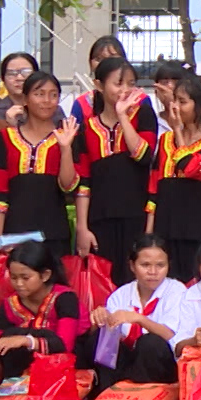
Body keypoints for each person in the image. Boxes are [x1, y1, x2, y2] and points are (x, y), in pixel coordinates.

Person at [73, 56, 159, 286]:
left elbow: (143, 156)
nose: (125, 90)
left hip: (136, 215)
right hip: (100, 218)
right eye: (118, 83)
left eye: (131, 84)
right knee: (102, 284)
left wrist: (123, 116)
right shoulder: (87, 128)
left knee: (135, 281)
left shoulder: (143, 115)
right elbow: (84, 183)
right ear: (99, 85)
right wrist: (82, 227)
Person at [0, 240, 81, 395]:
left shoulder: (65, 298)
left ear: (45, 275)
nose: (19, 283)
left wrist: (26, 340)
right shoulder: (9, 304)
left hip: (60, 368)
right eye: (14, 277)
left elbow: (65, 344)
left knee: (17, 335)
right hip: (20, 371)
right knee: (6, 339)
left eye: (25, 278)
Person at [0, 70, 80, 256]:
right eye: (39, 94)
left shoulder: (68, 135)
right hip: (15, 231)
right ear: (25, 99)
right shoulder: (6, 137)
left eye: (53, 95)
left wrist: (65, 149)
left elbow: (68, 187)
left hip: (54, 231)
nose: (47, 100)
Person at [148, 79, 201, 282]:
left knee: (196, 280)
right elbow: (154, 185)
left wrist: (177, 130)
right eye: (174, 100)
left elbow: (190, 168)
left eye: (182, 101)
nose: (175, 107)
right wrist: (149, 230)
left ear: (200, 108)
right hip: (166, 222)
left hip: (196, 223)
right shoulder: (165, 140)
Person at [89, 234, 186, 386]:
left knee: (150, 342)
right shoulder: (122, 294)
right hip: (128, 361)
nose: (153, 272)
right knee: (98, 339)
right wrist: (100, 319)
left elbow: (170, 335)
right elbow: (109, 337)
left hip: (160, 363)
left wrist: (139, 319)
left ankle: (149, 393)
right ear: (132, 266)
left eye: (160, 265)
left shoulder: (177, 291)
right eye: (145, 265)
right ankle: (106, 391)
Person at [0, 52, 39, 123]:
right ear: (3, 79)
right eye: (12, 73)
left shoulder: (50, 109)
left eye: (26, 72)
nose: (19, 78)